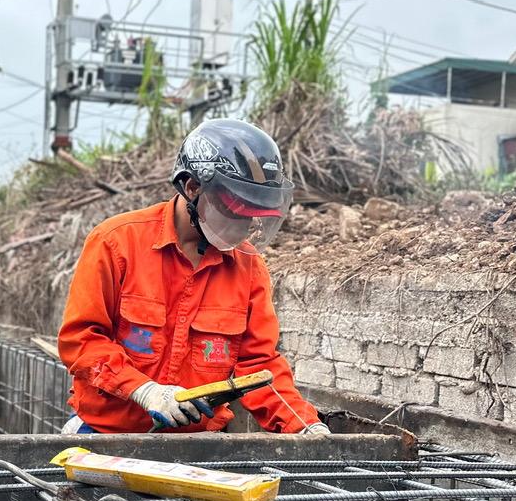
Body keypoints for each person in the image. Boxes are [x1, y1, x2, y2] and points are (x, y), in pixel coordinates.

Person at [58, 118, 328, 435]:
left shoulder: (248, 268)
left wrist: (305, 425)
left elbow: (259, 366)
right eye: (235, 209)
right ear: (192, 187)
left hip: (199, 443)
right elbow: (82, 341)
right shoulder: (116, 243)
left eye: (252, 214)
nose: (244, 225)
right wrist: (144, 390)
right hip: (108, 436)